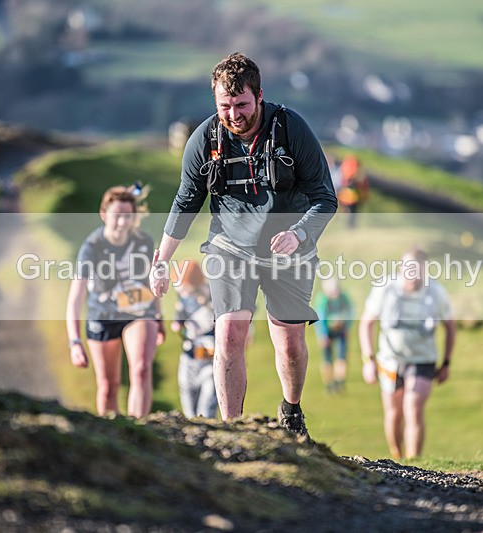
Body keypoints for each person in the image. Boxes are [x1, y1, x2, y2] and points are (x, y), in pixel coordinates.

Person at [149, 52, 337, 439]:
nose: (233, 114)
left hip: (289, 248)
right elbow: (185, 202)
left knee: (288, 342)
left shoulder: (290, 129)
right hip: (230, 248)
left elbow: (325, 198)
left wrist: (299, 233)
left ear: (260, 96)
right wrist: (161, 261)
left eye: (241, 105)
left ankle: (291, 410)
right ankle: (232, 430)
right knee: (230, 334)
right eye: (225, 106)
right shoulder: (205, 138)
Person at [66, 185, 165, 418]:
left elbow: (152, 283)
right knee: (108, 386)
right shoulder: (92, 247)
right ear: (103, 214)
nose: (122, 222)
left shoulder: (144, 241)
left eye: (128, 216)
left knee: (140, 370)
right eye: (117, 216)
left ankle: (140, 429)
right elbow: (75, 298)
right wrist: (74, 342)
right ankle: (114, 434)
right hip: (103, 315)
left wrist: (158, 318)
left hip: (140, 312)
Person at [358, 248, 456, 459]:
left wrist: (446, 362)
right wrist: (368, 360)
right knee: (394, 415)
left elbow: (450, 327)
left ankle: (414, 462)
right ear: (401, 269)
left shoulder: (436, 292)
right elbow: (366, 323)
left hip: (423, 360)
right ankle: (398, 458)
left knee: (413, 407)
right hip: (389, 361)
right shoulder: (385, 288)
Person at [170, 260, 218, 418]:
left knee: (207, 404)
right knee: (188, 401)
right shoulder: (184, 299)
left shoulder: (212, 296)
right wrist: (177, 324)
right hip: (189, 356)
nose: (181, 291)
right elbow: (179, 318)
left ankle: (207, 427)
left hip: (209, 357)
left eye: (184, 287)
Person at [313, 276, 353, 394]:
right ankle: (329, 383)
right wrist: (323, 335)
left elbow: (350, 311)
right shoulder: (322, 300)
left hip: (340, 330)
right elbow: (320, 319)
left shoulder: (343, 297)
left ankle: (340, 381)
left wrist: (346, 326)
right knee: (327, 358)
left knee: (341, 356)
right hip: (327, 331)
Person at [335, 154, 369, 228]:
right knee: (351, 212)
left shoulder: (345, 170)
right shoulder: (356, 173)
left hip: (348, 196)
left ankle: (348, 226)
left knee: (348, 212)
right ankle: (350, 226)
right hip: (351, 196)